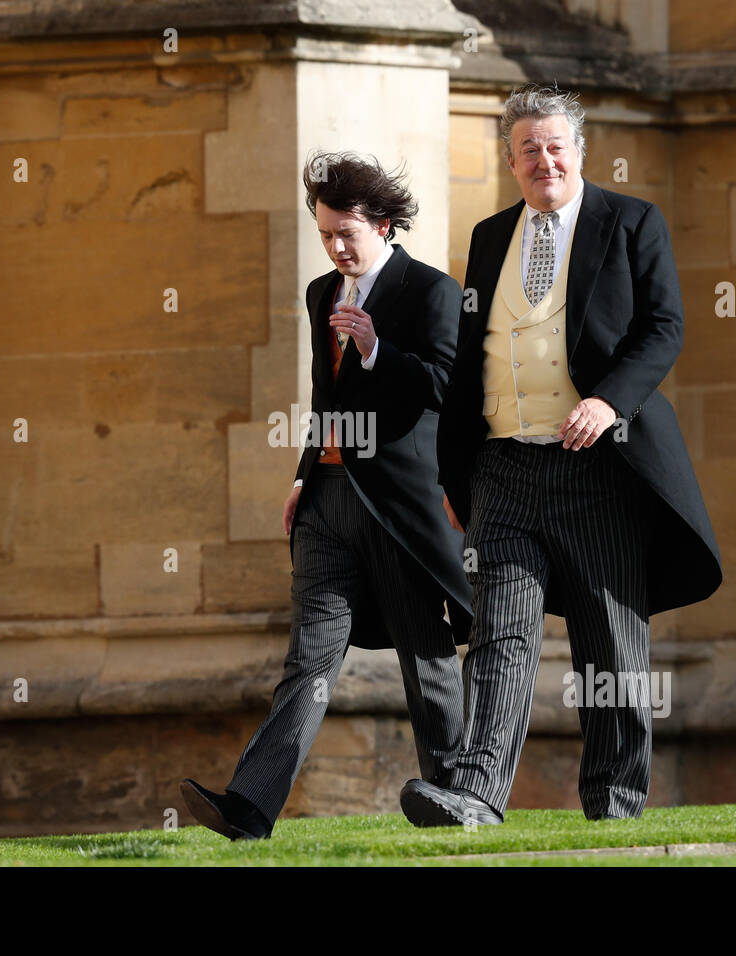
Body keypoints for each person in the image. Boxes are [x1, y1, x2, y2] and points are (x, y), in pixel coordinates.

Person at [401, 85, 722, 827]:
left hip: (600, 468)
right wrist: (457, 473)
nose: (543, 159)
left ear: (578, 150)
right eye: (527, 150)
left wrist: (611, 401)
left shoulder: (632, 221)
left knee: (609, 646)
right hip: (504, 468)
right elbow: (473, 354)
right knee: (498, 634)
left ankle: (614, 802)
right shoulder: (489, 237)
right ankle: (476, 794)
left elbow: (664, 328)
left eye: (555, 146)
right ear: (509, 161)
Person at [182, 151, 473, 839]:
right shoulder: (321, 294)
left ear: (384, 224)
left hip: (399, 510)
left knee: (424, 657)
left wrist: (377, 350)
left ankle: (459, 798)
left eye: (347, 232)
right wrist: (304, 476)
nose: (336, 247)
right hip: (328, 504)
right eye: (325, 234)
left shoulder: (431, 292)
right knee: (309, 660)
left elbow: (443, 391)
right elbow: (326, 400)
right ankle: (250, 808)